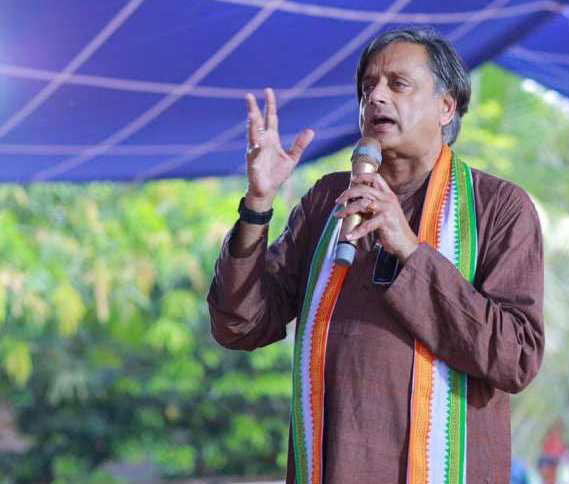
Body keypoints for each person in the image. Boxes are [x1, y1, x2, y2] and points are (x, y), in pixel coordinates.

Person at [207, 27, 544, 484]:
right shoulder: (329, 200)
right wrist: (257, 204)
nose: (376, 97)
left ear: (446, 107)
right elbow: (239, 325)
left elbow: (516, 357)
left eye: (398, 84)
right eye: (368, 87)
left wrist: (410, 250)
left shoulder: (497, 207)